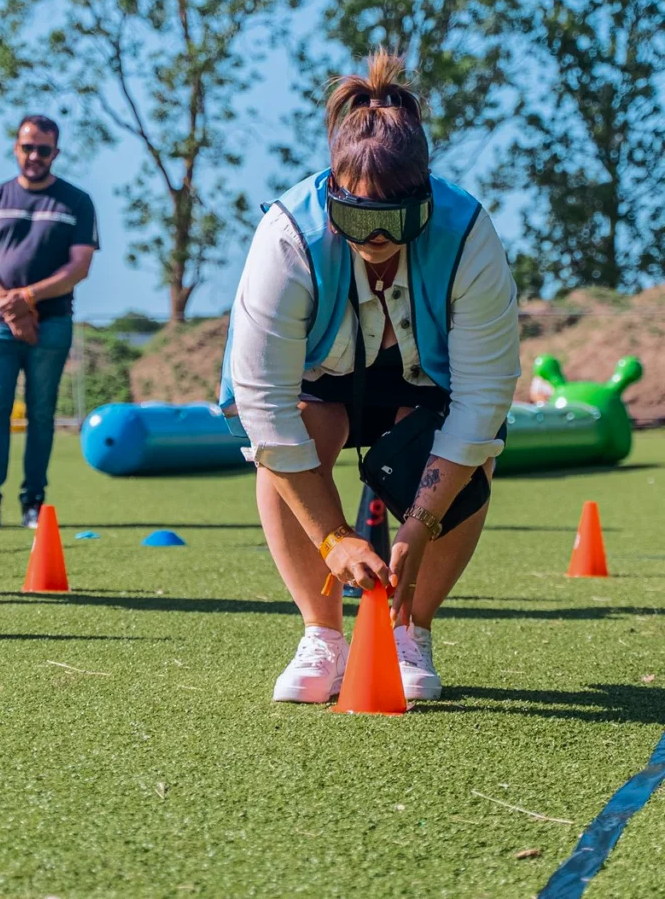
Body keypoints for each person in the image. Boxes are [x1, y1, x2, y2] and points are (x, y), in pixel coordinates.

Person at [220, 51, 520, 702]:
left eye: (397, 220)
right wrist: (332, 537)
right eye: (358, 218)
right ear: (332, 194)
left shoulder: (468, 234)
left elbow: (481, 401)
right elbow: (265, 409)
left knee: (474, 452)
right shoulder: (286, 238)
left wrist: (418, 525)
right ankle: (322, 636)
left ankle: (410, 631)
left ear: (426, 198)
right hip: (319, 388)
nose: (376, 237)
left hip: (426, 391)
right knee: (293, 436)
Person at [0, 115, 98, 531]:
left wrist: (29, 298)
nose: (34, 156)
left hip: (51, 324)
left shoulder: (77, 201)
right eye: (27, 147)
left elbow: (79, 266)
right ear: (15, 148)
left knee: (41, 413)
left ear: (56, 152)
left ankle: (33, 501)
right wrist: (8, 304)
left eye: (44, 149)